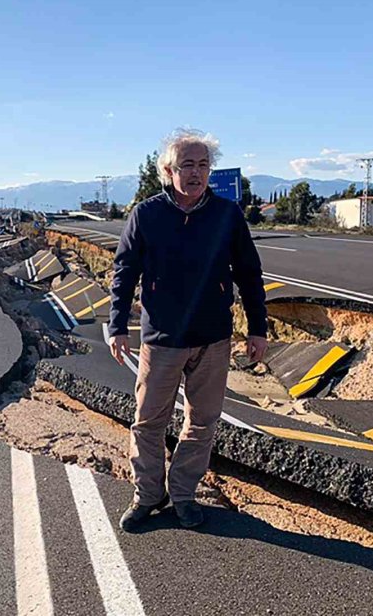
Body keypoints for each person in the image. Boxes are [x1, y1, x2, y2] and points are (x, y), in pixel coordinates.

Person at [108, 128, 268, 531]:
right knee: (148, 420)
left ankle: (182, 493)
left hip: (213, 337)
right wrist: (117, 325)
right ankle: (148, 494)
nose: (196, 173)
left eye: (203, 165)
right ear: (169, 170)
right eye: (187, 165)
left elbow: (249, 273)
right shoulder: (146, 215)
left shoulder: (226, 215)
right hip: (161, 338)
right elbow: (125, 272)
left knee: (202, 421)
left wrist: (257, 328)